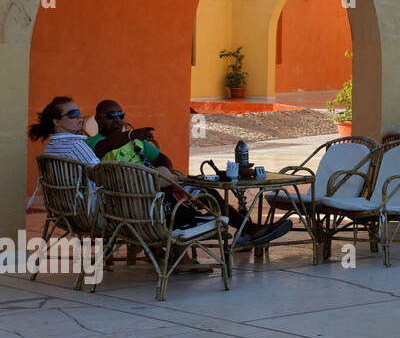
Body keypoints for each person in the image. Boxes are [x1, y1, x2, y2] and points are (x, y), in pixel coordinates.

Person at [89, 99, 291, 248]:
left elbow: (162, 159)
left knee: (206, 189)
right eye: (111, 116)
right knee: (194, 189)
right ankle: (247, 231)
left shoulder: (136, 142)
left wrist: (164, 172)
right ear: (98, 119)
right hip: (132, 197)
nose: (117, 120)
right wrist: (131, 134)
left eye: (121, 115)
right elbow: (105, 146)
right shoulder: (94, 143)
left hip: (158, 187)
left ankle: (248, 230)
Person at [28, 97, 98, 165]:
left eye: (78, 112)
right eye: (72, 113)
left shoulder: (50, 146)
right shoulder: (75, 145)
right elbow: (99, 170)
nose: (79, 116)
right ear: (57, 122)